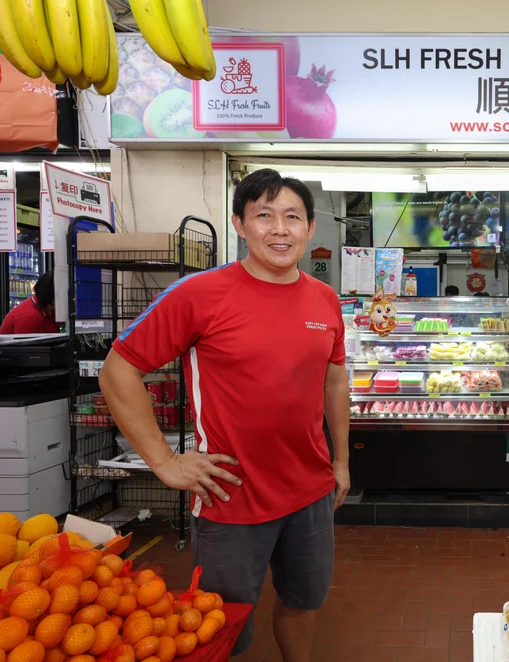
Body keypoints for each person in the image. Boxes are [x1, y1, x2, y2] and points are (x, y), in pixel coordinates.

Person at [99, 169, 350, 661]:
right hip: (229, 494)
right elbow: (118, 371)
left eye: (292, 217)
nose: (279, 229)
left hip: (310, 490)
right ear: (240, 223)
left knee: (303, 602)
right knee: (223, 621)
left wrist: (340, 461)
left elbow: (333, 379)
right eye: (264, 215)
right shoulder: (199, 294)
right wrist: (165, 462)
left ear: (310, 228)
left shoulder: (324, 299)